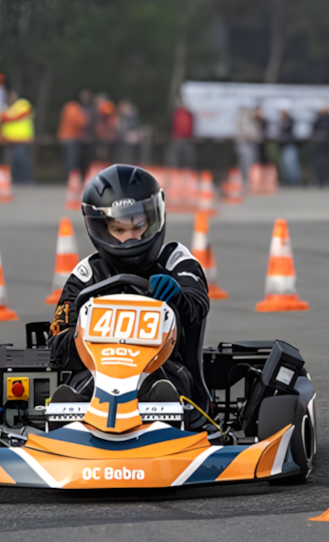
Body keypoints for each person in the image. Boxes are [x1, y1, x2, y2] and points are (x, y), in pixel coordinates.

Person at [48, 164, 210, 409]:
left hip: (164, 370)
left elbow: (198, 304)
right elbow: (57, 347)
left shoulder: (175, 260)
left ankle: (162, 410)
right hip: (98, 375)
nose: (131, 237)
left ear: (153, 219)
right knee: (82, 385)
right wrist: (88, 333)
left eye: (138, 226)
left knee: (160, 383)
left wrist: (177, 295)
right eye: (120, 230)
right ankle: (71, 413)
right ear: (103, 230)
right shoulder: (87, 276)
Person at [0, 91, 34, 183]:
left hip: (22, 139)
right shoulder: (7, 108)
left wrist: (2, 116)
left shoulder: (23, 104)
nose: (11, 97)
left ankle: (26, 181)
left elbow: (12, 117)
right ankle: (16, 181)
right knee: (14, 162)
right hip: (10, 140)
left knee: (21, 160)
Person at [58, 91, 89, 176]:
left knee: (68, 159)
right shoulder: (74, 108)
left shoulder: (68, 106)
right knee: (72, 160)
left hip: (65, 137)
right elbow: (79, 122)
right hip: (72, 137)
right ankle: (72, 179)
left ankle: (69, 178)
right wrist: (85, 117)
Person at [166, 97, 195, 169]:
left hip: (180, 138)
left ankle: (176, 170)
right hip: (186, 139)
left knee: (175, 157)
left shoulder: (178, 113)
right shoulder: (189, 113)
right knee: (186, 158)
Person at [235, 105, 262, 182]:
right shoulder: (244, 118)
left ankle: (250, 180)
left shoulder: (253, 120)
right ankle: (246, 180)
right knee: (246, 162)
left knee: (252, 162)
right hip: (245, 143)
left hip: (250, 143)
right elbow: (247, 133)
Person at [278, 110, 302, 185]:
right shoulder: (284, 120)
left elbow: (287, 129)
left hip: (289, 144)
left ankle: (294, 180)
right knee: (286, 164)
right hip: (284, 145)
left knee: (291, 164)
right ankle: (288, 180)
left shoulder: (289, 120)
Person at [115, 99, 140, 164]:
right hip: (122, 139)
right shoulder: (121, 115)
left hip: (129, 138)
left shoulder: (132, 115)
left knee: (130, 155)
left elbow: (133, 126)